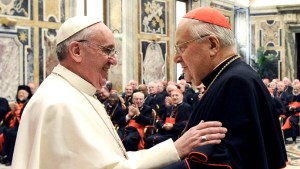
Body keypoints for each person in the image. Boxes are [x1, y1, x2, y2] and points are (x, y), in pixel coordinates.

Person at [12, 16, 227, 169]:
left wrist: (175, 148)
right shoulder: (59, 103)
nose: (114, 60)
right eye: (107, 50)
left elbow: (113, 160)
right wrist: (176, 148)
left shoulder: (72, 93)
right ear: (76, 51)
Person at [167, 7, 287, 169]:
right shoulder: (230, 78)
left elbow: (225, 163)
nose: (176, 58)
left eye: (181, 47)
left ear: (212, 45)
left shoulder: (236, 83)